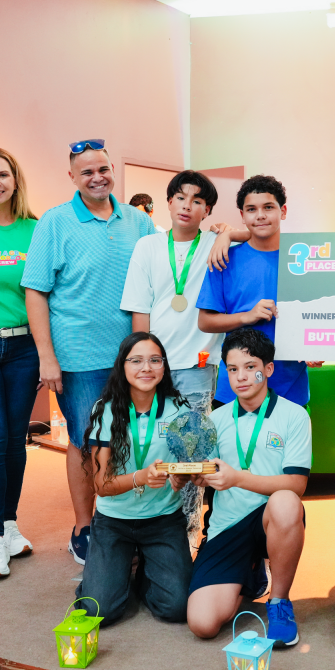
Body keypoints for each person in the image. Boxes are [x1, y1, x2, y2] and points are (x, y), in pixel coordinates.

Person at [22, 139, 156, 564]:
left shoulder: (138, 221)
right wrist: (47, 356)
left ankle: (129, 523)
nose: (97, 177)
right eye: (87, 172)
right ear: (72, 178)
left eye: (103, 168)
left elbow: (166, 268)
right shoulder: (55, 223)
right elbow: (35, 291)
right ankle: (84, 525)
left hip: (133, 356)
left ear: (112, 168)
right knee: (85, 441)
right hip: (78, 358)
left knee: (131, 438)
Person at [121, 170, 229, 542]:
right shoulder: (148, 247)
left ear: (207, 209)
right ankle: (148, 527)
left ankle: (188, 531)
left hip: (198, 367)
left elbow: (256, 232)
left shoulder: (215, 243)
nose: (187, 205)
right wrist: (142, 363)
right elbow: (139, 310)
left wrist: (227, 232)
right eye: (180, 197)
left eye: (198, 200)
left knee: (192, 451)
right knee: (149, 442)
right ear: (168, 202)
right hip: (155, 367)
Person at [186, 329, 311, 647]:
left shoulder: (294, 415)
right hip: (228, 525)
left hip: (272, 518)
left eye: (250, 366)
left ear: (268, 369)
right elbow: (211, 471)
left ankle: (279, 603)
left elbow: (297, 484)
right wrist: (199, 476)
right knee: (202, 624)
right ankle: (251, 574)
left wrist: (237, 478)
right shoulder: (215, 418)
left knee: (286, 502)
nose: (241, 377)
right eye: (232, 369)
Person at [76, 333, 193, 625]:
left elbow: (185, 469)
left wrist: (181, 478)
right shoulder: (105, 411)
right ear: (122, 366)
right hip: (114, 522)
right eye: (136, 360)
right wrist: (141, 477)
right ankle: (109, 575)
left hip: (163, 519)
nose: (146, 368)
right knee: (98, 612)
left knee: (177, 608)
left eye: (155, 360)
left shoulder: (180, 410)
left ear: (164, 367)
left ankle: (143, 573)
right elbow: (101, 486)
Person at [197, 175, 312, 409]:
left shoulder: (306, 260)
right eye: (251, 209)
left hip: (291, 387)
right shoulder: (224, 259)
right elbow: (205, 321)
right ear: (242, 215)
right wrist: (246, 316)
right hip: (235, 390)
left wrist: (317, 348)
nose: (260, 215)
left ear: (284, 211)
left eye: (268, 207)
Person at [0, 148, 38, 576]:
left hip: (24, 347)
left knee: (15, 439)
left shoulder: (35, 230)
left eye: (2, 173)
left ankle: (9, 524)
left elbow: (45, 292)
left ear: (14, 179)